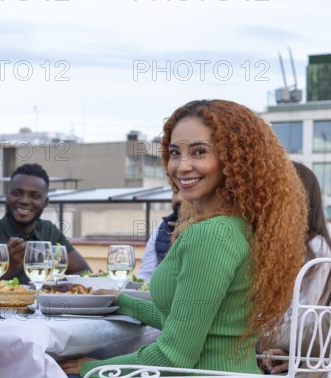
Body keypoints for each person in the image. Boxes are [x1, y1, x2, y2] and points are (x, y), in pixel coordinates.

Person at [60, 99, 308, 377]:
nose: (181, 166)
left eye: (200, 152)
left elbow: (174, 355)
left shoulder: (210, 235)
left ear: (234, 160)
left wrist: (91, 369)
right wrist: (123, 301)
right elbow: (193, 323)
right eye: (175, 153)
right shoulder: (241, 227)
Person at [0, 163, 91, 285]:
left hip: (41, 311)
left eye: (35, 196)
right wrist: (7, 268)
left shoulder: (49, 231)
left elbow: (84, 271)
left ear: (46, 202)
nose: (25, 201)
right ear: (7, 196)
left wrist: (53, 287)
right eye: (17, 193)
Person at [260, 162, 331, 375]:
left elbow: (306, 312)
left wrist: (281, 347)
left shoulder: (316, 247)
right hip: (283, 349)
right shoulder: (286, 244)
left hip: (294, 350)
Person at [136, 188, 182, 282]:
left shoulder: (215, 228)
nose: (179, 198)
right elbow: (146, 275)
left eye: (185, 191)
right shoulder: (162, 227)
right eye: (175, 192)